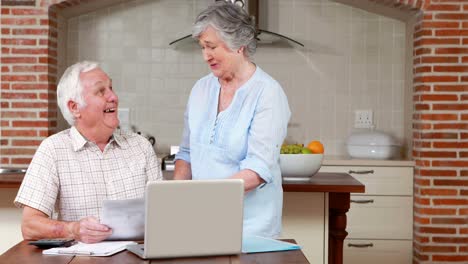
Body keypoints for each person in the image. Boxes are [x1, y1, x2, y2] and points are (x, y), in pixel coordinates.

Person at [174, 2, 291, 238]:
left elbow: (257, 170)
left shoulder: (267, 93)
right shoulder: (200, 89)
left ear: (239, 44)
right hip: (199, 224)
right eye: (202, 47)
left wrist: (203, 199)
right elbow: (186, 153)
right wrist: (176, 200)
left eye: (211, 46)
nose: (206, 56)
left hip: (249, 230)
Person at [14, 61, 163, 243]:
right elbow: (30, 226)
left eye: (111, 88)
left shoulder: (140, 146)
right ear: (74, 107)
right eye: (101, 91)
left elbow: (163, 215)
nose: (113, 96)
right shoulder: (53, 150)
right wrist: (73, 229)